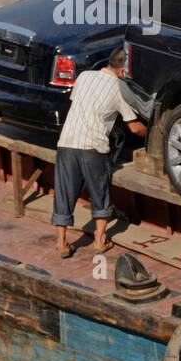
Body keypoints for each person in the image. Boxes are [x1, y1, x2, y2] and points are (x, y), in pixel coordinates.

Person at [52, 47, 147, 258]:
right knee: (99, 193)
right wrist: (154, 131)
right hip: (93, 147)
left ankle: (61, 243)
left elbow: (85, 106)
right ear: (123, 71)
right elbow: (134, 128)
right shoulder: (120, 89)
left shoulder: (84, 76)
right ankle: (99, 240)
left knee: (64, 193)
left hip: (67, 142)